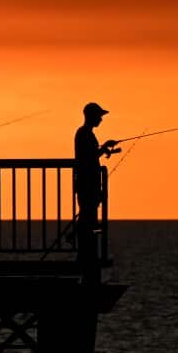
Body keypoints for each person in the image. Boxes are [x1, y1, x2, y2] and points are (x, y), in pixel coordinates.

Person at [73, 102, 119, 281]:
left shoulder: (86, 134)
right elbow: (87, 158)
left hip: (88, 183)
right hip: (87, 184)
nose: (101, 118)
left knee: (88, 219)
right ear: (91, 116)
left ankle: (84, 253)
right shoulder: (84, 134)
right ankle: (84, 255)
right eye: (99, 116)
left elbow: (91, 156)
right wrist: (104, 147)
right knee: (87, 219)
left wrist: (103, 148)